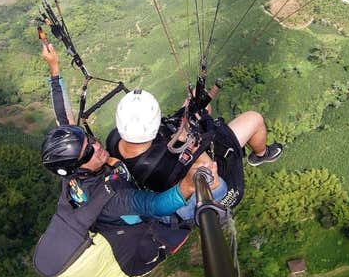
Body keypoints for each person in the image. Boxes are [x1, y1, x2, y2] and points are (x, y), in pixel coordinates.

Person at [33, 42, 219, 277]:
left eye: (88, 139)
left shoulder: (71, 170)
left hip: (113, 213)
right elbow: (155, 205)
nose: (96, 145)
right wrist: (186, 186)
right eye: (89, 151)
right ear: (76, 167)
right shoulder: (111, 196)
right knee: (201, 192)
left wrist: (54, 68)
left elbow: (63, 117)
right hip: (141, 242)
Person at [106, 87, 283, 209]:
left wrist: (188, 107)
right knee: (254, 119)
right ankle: (261, 154)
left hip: (174, 164)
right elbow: (208, 167)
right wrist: (190, 137)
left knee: (203, 104)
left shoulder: (115, 139)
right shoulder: (161, 162)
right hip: (209, 180)